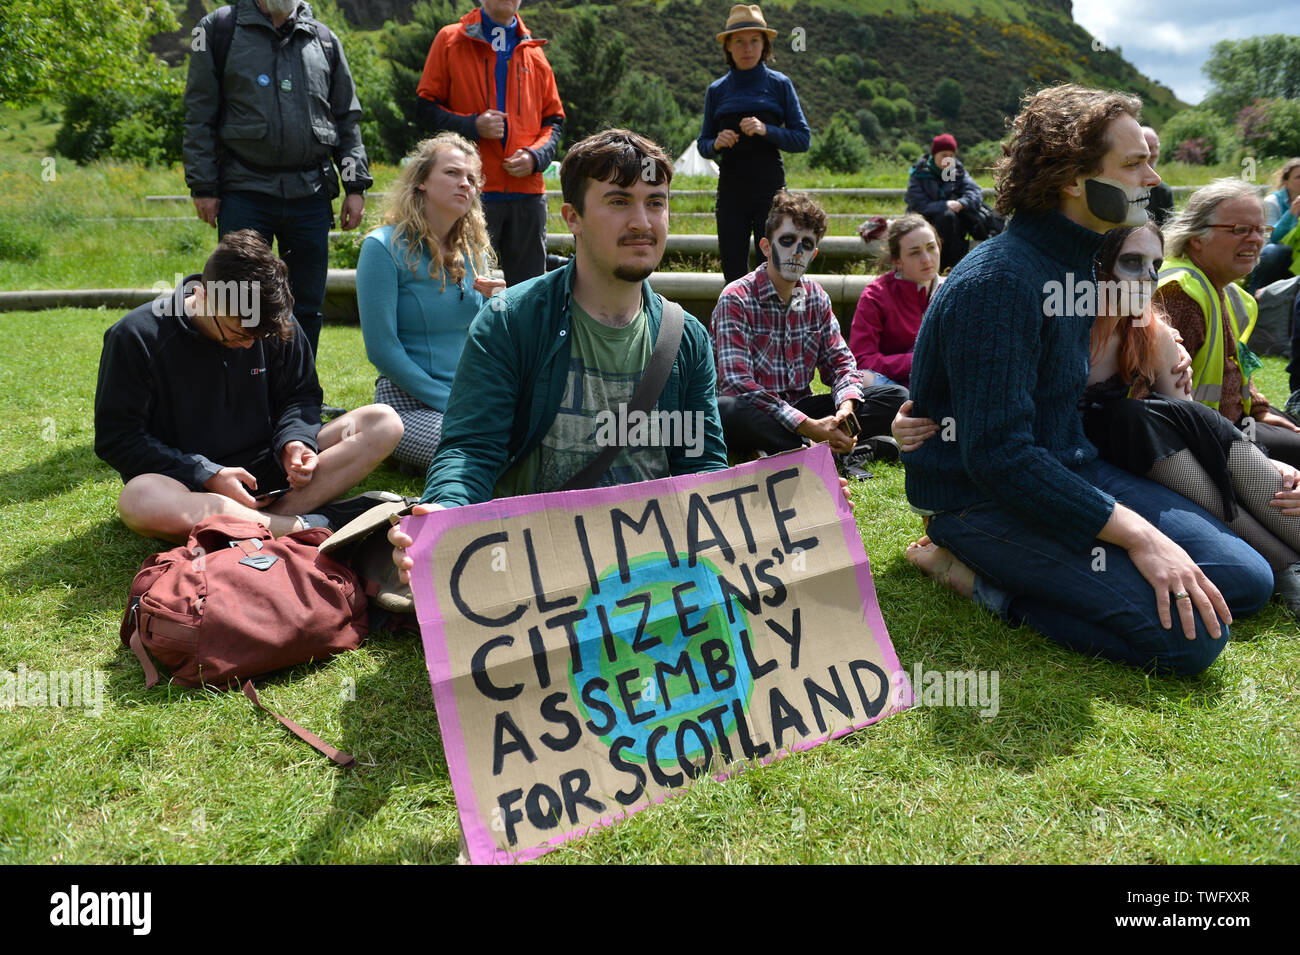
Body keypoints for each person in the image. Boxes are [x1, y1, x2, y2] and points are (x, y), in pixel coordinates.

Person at [898, 84, 1272, 675]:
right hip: (982, 500)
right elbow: (999, 457)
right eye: (1133, 163)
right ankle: (974, 577)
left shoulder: (1075, 261)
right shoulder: (999, 281)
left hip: (1069, 467)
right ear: (1074, 179)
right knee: (1190, 642)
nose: (1152, 177)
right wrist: (1141, 539)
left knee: (1248, 580)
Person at [901, 222, 1300, 616]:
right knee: (1249, 571)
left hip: (1149, 463)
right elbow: (983, 406)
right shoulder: (1055, 323)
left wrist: (1260, 457)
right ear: (1097, 267)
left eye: (1156, 264)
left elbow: (1185, 419)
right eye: (1132, 262)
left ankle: (1286, 562)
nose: (1149, 276)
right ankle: (1285, 567)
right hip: (1082, 470)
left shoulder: (1152, 333)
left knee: (1254, 489)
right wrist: (904, 425)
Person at [95, 231, 403, 543]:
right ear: (202, 295)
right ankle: (308, 526)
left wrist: (295, 443)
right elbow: (119, 438)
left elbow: (301, 395)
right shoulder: (135, 336)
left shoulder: (271, 321)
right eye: (236, 333)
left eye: (258, 337)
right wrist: (208, 474)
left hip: (272, 472)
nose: (247, 345)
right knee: (139, 500)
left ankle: (259, 524)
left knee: (382, 422)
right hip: (191, 486)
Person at [184, 0, 371, 362]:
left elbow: (346, 119)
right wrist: (203, 186)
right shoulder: (216, 30)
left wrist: (355, 186)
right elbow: (198, 114)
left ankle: (298, 399)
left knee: (306, 305)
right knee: (238, 298)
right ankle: (243, 394)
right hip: (243, 189)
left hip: (310, 194)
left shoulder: (325, 39)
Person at [711, 190, 907, 461]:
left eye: (805, 244)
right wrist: (811, 427)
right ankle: (824, 450)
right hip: (758, 410)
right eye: (788, 241)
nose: (796, 251)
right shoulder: (737, 298)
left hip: (802, 410)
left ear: (813, 254)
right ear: (766, 247)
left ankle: (801, 450)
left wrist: (845, 410)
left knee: (895, 396)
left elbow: (841, 365)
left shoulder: (816, 297)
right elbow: (737, 384)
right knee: (725, 409)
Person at [357, 134, 506, 474]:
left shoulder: (475, 251)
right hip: (405, 405)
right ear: (421, 181)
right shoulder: (381, 248)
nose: (464, 184)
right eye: (452, 173)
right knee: (483, 454)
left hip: (471, 398)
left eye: (471, 178)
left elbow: (484, 338)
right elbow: (382, 350)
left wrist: (498, 305)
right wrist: (451, 404)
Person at [416, 0, 564, 287]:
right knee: (465, 288)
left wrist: (536, 157)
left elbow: (554, 121)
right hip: (471, 191)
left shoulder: (535, 52)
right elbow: (425, 108)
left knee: (529, 295)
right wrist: (473, 126)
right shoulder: (450, 40)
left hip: (528, 195)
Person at [1154, 179, 1300, 468]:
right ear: (1197, 238)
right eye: (1240, 230)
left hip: (1234, 422)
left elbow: (1237, 366)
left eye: (1260, 230)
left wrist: (1260, 409)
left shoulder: (1226, 291)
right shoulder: (1182, 295)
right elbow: (1158, 402)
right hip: (1205, 440)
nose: (1256, 239)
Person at [697, 4, 811, 283]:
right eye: (739, 41)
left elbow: (802, 139)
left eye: (754, 41)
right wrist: (716, 144)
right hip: (731, 190)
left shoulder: (780, 84)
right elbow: (702, 144)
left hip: (770, 190)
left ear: (764, 45)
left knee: (773, 266)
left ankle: (773, 324)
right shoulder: (717, 90)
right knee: (733, 267)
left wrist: (766, 130)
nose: (747, 48)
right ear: (728, 47)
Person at [848, 214, 943, 390]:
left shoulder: (952, 291)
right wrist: (918, 360)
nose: (927, 259)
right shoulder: (875, 295)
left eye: (931, 247)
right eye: (915, 252)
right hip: (892, 387)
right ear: (897, 261)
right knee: (863, 379)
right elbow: (862, 359)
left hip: (940, 382)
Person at [905, 134, 985, 273]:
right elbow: (917, 204)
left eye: (951, 155)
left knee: (951, 218)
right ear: (934, 155)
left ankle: (951, 268)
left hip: (953, 225)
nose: (948, 159)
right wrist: (944, 205)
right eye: (943, 155)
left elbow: (975, 191)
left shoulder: (956, 171)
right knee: (947, 217)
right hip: (926, 223)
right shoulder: (920, 173)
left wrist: (962, 203)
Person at [1249, 157, 1300, 294]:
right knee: (1273, 251)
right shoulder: (1272, 202)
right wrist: (1291, 213)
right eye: (1298, 177)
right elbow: (1269, 236)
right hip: (1276, 255)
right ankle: (1255, 296)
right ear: (1285, 182)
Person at [1140, 126, 1175, 227]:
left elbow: (1169, 229)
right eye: (1149, 148)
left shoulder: (1163, 191)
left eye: (1157, 147)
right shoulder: (1123, 186)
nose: (1155, 153)